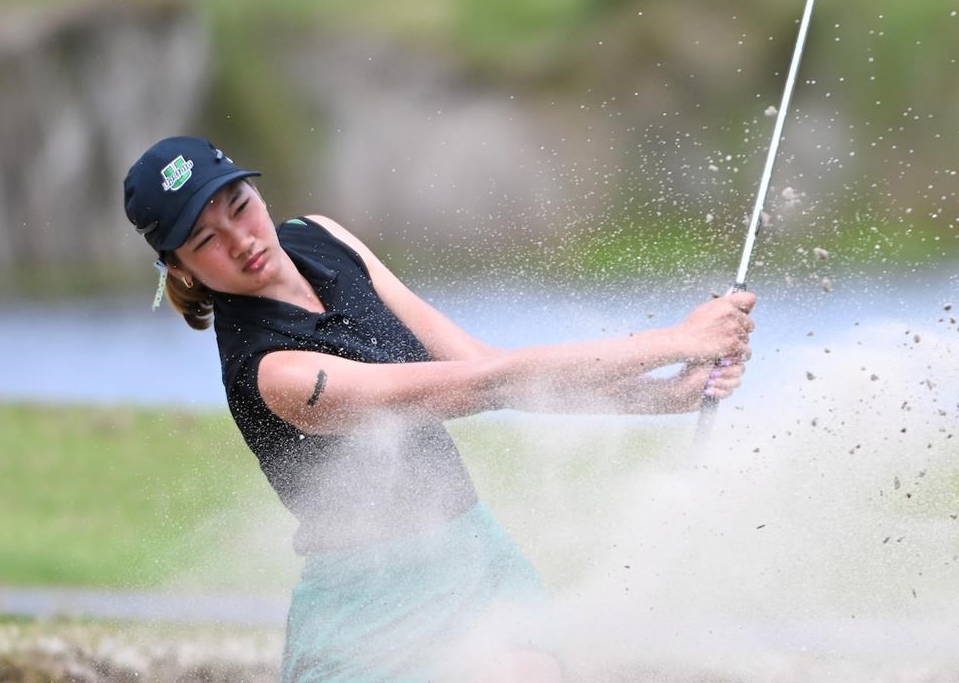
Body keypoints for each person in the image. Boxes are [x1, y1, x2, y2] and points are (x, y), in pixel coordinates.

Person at [122, 136, 754, 683]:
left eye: (239, 206)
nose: (241, 240)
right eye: (206, 239)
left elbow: (477, 358)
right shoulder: (272, 371)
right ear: (180, 268)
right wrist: (678, 340)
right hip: (367, 614)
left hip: (474, 559)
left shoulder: (322, 237)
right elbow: (487, 384)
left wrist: (662, 397)